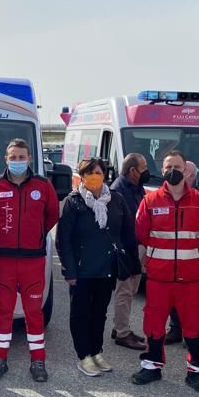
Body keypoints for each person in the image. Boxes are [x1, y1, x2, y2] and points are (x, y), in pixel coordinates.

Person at [133, 151, 199, 393]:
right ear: (162, 170)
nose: (173, 170)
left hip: (190, 279)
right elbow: (141, 232)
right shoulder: (150, 201)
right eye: (168, 166)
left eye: (177, 166)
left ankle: (196, 372)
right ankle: (152, 366)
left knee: (194, 326)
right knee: (154, 323)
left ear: (187, 171)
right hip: (159, 277)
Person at [0, 138, 60, 383]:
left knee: (33, 312)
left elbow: (52, 216)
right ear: (6, 159)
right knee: (3, 312)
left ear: (30, 159)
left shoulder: (43, 185)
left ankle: (37, 361)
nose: (17, 161)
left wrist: (34, 236)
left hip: (32, 260)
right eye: (13, 157)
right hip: (3, 259)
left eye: (21, 157)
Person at [57, 157, 139, 377]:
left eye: (98, 173)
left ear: (105, 175)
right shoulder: (73, 202)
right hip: (82, 271)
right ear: (82, 176)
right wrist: (69, 270)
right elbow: (63, 240)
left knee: (99, 313)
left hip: (106, 269)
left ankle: (96, 351)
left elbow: (128, 234)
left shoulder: (116, 200)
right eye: (89, 173)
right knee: (80, 314)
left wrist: (131, 264)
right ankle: (84, 356)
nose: (94, 177)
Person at [109, 153, 150, 351]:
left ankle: (120, 327)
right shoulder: (118, 190)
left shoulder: (135, 187)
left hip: (137, 245)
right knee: (125, 290)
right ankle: (122, 334)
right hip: (126, 248)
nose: (147, 171)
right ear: (133, 170)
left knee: (131, 288)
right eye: (144, 167)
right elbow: (118, 225)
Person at [164, 159, 197, 344]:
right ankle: (176, 329)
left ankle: (189, 334)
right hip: (168, 261)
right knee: (172, 300)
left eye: (190, 174)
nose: (186, 176)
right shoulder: (162, 198)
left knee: (191, 302)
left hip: (191, 262)